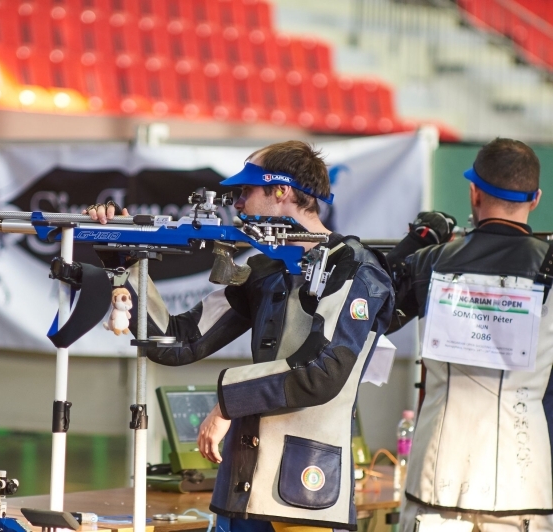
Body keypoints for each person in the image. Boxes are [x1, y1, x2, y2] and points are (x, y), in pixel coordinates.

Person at [87, 141, 395, 532]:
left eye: (246, 191)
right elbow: (177, 341)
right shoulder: (264, 269)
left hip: (306, 490)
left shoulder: (355, 269)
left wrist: (227, 403)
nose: (237, 203)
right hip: (243, 485)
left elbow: (322, 371)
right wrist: (124, 258)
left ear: (281, 191)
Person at [386, 138, 553, 532]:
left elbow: (370, 311)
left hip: (436, 482)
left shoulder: (430, 261)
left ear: (474, 193)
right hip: (522, 486)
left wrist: (416, 242)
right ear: (535, 199)